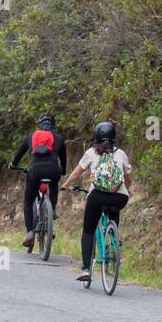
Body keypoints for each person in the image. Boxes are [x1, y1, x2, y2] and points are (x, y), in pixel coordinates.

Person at [62, 121, 133, 282]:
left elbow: (76, 174)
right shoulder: (121, 154)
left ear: (96, 137)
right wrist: (126, 190)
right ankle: (114, 238)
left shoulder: (91, 153)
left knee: (88, 231)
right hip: (120, 197)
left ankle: (86, 269)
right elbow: (128, 178)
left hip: (97, 197)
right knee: (114, 208)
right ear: (113, 138)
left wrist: (65, 186)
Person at [8, 113, 67, 251]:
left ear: (38, 125)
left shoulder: (31, 136)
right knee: (54, 184)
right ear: (53, 126)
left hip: (35, 171)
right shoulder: (59, 138)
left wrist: (13, 164)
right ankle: (51, 210)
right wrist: (63, 170)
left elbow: (19, 154)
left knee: (28, 201)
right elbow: (63, 160)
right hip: (53, 171)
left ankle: (29, 233)